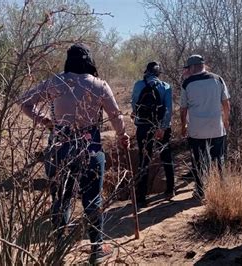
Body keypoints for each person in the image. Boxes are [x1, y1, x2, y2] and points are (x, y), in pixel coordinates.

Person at [20, 43, 130, 264]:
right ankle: (97, 249)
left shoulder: (55, 82)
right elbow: (116, 116)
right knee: (93, 198)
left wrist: (45, 121)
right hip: (90, 147)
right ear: (89, 60)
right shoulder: (100, 85)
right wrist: (122, 136)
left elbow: (25, 103)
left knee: (61, 197)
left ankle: (60, 246)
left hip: (60, 145)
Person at [180, 55, 231, 198]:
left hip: (197, 130)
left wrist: (183, 126)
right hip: (216, 128)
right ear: (203, 65)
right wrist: (226, 120)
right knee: (219, 159)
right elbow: (226, 103)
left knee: (198, 160)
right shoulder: (217, 79)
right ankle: (223, 188)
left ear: (192, 67)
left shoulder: (187, 83)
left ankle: (201, 191)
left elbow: (183, 109)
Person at [131, 61, 175, 205]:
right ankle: (170, 189)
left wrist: (139, 122)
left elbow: (134, 105)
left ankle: (141, 197)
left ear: (147, 71)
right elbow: (168, 110)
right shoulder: (165, 86)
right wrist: (162, 128)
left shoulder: (138, 85)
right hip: (161, 127)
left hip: (143, 127)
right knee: (166, 155)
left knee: (144, 159)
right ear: (158, 73)